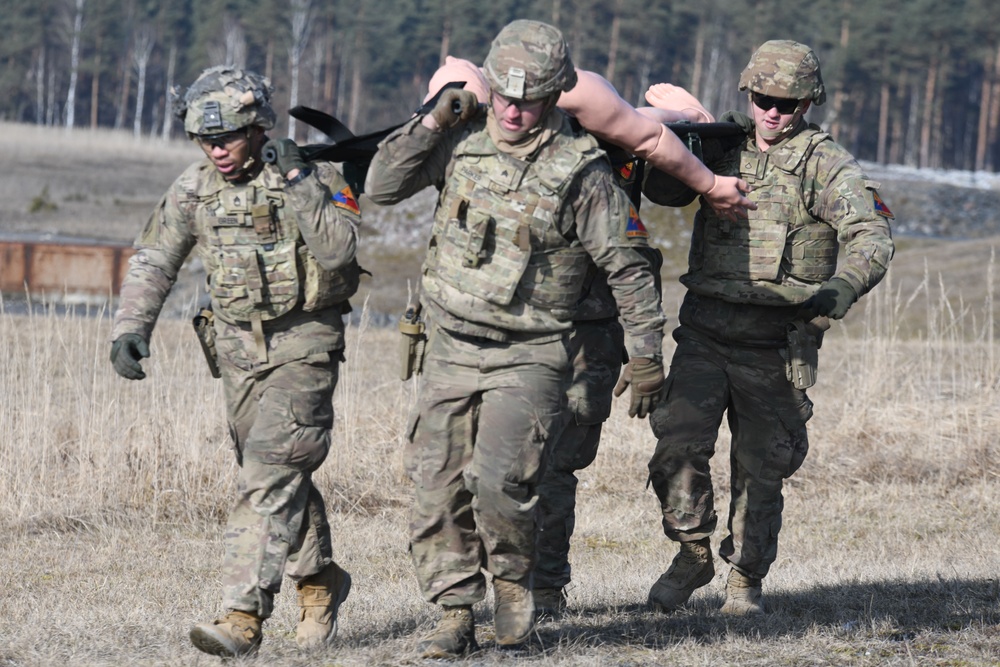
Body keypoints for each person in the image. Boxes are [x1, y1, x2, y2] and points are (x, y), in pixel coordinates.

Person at [365, 20, 666, 658]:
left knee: (502, 484)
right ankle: (452, 611)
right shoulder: (460, 141)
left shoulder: (581, 171)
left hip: (528, 352)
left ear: (555, 96)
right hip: (450, 344)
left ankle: (510, 584)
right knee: (435, 483)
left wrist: (645, 355)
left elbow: (627, 268)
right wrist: (430, 121)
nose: (511, 110)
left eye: (528, 100)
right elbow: (380, 188)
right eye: (502, 95)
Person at [422, 53, 747, 622]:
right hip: (505, 326)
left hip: (585, 325)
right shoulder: (469, 133)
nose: (509, 112)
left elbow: (647, 140)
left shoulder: (582, 101)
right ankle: (487, 596)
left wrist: (710, 179)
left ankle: (543, 591)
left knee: (555, 464)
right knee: (478, 465)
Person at [109, 66, 362, 657]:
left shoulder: (316, 175)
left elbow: (340, 252)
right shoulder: (195, 187)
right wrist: (130, 328)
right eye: (205, 140)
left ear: (258, 128)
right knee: (273, 473)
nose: (216, 150)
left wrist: (299, 178)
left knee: (269, 473)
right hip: (236, 353)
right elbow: (155, 256)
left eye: (227, 138)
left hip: (305, 344)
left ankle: (242, 615)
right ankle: (321, 582)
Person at [642, 40, 895, 616]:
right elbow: (664, 191)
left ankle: (744, 579)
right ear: (748, 94)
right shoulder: (721, 145)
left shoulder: (824, 164)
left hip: (775, 345)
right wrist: (684, 143)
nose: (774, 112)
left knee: (761, 473)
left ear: (808, 103)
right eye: (763, 99)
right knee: (676, 451)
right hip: (704, 335)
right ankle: (692, 552)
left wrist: (840, 288)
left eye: (788, 102)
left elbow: (871, 237)